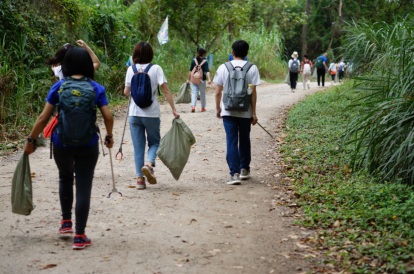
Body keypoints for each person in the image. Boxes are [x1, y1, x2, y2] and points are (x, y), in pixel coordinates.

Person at [25, 47, 114, 250]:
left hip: (61, 143)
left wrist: (31, 141)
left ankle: (66, 223)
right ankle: (80, 236)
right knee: (83, 186)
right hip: (88, 144)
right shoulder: (96, 88)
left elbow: (43, 118)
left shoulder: (59, 86)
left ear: (66, 65)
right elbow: (108, 117)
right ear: (86, 66)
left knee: (65, 177)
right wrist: (109, 137)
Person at [124, 42, 180, 190]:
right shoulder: (156, 68)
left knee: (138, 147)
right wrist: (174, 109)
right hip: (151, 114)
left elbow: (126, 92)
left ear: (135, 54)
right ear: (150, 54)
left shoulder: (131, 69)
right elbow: (166, 90)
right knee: (155, 143)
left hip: (134, 114)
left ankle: (140, 181)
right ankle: (149, 164)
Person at [214, 40, 260, 185]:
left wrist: (218, 108)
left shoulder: (223, 67)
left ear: (232, 53)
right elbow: (253, 93)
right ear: (247, 53)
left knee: (232, 141)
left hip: (228, 111)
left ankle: (234, 174)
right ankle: (244, 169)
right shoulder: (252, 68)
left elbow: (217, 92)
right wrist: (253, 113)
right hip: (245, 111)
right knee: (245, 139)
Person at [186, 47, 211, 113]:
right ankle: (202, 107)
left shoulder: (193, 60)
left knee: (194, 93)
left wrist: (188, 79)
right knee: (202, 94)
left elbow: (190, 71)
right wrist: (209, 79)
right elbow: (207, 71)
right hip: (202, 80)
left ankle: (193, 106)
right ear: (203, 54)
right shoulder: (205, 62)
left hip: (193, 80)